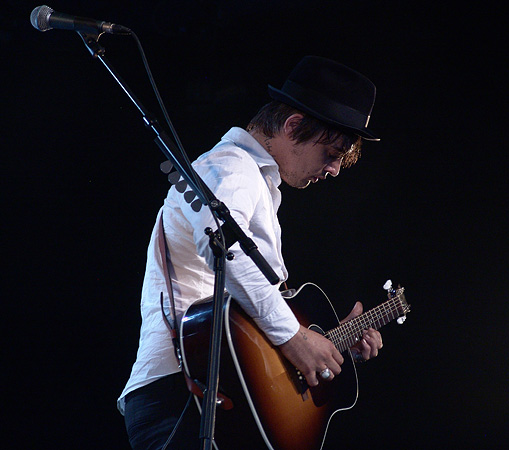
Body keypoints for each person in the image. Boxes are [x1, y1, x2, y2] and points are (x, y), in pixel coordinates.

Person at [118, 55, 384, 450]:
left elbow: (250, 330)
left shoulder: (256, 185)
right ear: (293, 125)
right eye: (333, 153)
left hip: (218, 392)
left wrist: (329, 346)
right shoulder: (231, 168)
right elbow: (225, 253)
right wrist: (294, 336)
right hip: (185, 395)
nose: (334, 170)